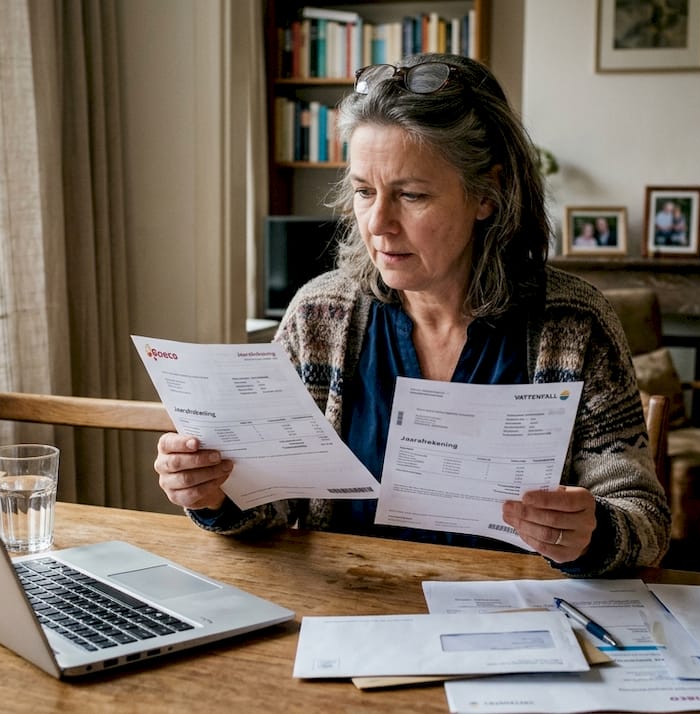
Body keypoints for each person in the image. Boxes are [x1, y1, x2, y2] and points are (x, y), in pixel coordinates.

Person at [154, 54, 670, 577]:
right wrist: (216, 493)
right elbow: (274, 504)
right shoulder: (319, 316)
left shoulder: (574, 324)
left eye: (411, 195)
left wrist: (593, 532)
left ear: (487, 195)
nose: (378, 223)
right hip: (349, 603)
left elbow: (646, 522)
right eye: (364, 191)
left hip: (517, 612)